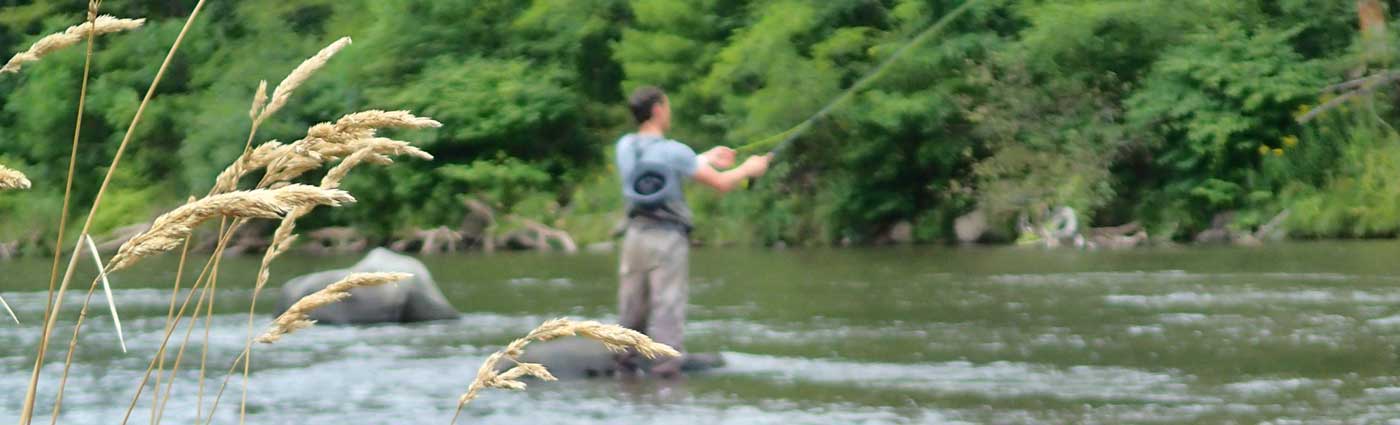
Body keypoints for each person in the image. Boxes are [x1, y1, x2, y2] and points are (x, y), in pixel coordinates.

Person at [614, 86, 771, 377]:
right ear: (659, 109)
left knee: (632, 306)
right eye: (667, 106)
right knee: (667, 306)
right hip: (667, 238)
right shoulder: (675, 151)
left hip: (634, 237)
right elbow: (722, 184)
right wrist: (749, 169)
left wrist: (705, 158)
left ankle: (626, 372)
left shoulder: (625, 146)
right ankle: (665, 373)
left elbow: (657, 167)